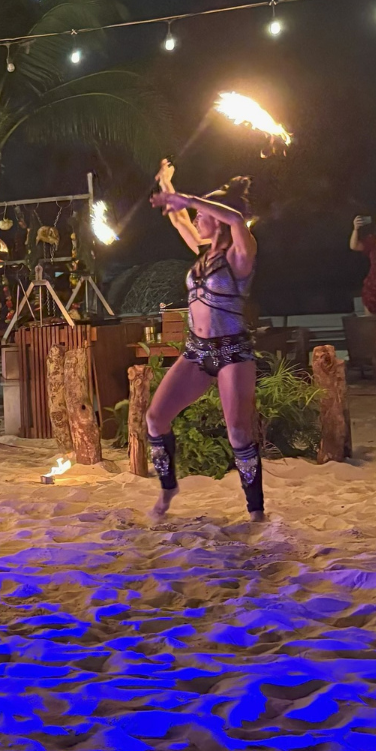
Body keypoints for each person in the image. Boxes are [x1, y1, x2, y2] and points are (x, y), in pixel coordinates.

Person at [145, 160, 264, 522]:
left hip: (232, 352)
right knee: (155, 418)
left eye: (202, 214)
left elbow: (236, 220)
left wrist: (188, 197)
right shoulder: (203, 254)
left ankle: (256, 512)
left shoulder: (240, 255)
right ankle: (168, 489)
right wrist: (168, 186)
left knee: (239, 432)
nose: (197, 218)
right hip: (197, 352)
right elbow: (180, 220)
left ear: (218, 217)